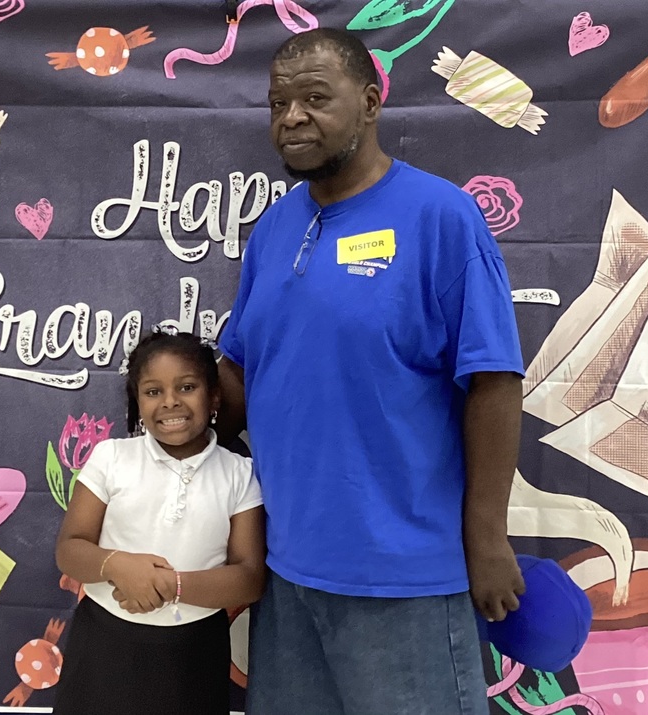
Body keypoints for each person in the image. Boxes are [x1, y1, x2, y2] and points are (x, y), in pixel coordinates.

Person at [215, 28, 527, 714]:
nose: (292, 117)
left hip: (405, 577)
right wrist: (169, 405)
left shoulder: (442, 216)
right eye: (277, 103)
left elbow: (496, 379)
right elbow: (241, 372)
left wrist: (487, 533)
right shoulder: (272, 231)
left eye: (315, 98)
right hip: (288, 572)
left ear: (371, 102)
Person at [52, 327, 265, 715]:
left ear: (214, 396)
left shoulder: (240, 474)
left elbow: (249, 577)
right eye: (153, 392)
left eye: (186, 387)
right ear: (137, 400)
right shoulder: (112, 457)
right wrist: (118, 565)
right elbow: (70, 549)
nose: (170, 402)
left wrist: (171, 585)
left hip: (194, 654)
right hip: (103, 642)